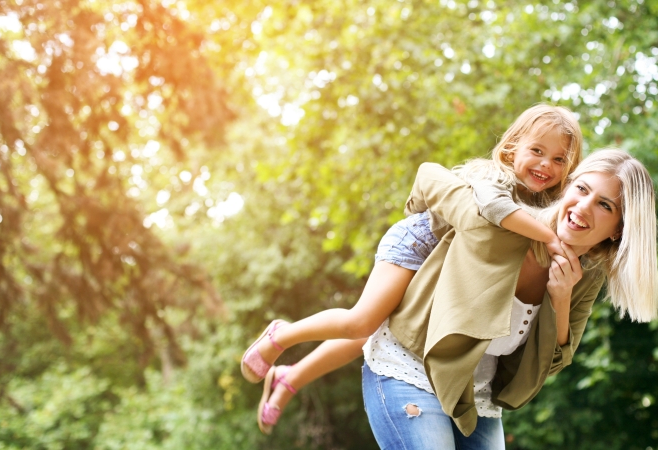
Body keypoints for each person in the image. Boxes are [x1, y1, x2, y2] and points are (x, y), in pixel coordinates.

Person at [240, 104, 583, 434]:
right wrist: (550, 239)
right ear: (511, 148)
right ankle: (280, 335)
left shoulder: (551, 206)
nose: (545, 165)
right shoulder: (493, 177)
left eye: (558, 159)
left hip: (450, 265)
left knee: (373, 335)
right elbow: (493, 210)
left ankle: (290, 377)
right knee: (364, 321)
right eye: (537, 151)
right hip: (421, 244)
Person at [362, 149, 658, 449]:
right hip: (411, 366)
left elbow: (555, 361)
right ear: (569, 186)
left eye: (604, 205)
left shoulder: (587, 277)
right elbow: (432, 180)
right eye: (581, 189)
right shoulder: (508, 221)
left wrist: (561, 299)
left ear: (619, 229)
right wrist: (410, 225)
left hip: (476, 397)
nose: (583, 207)